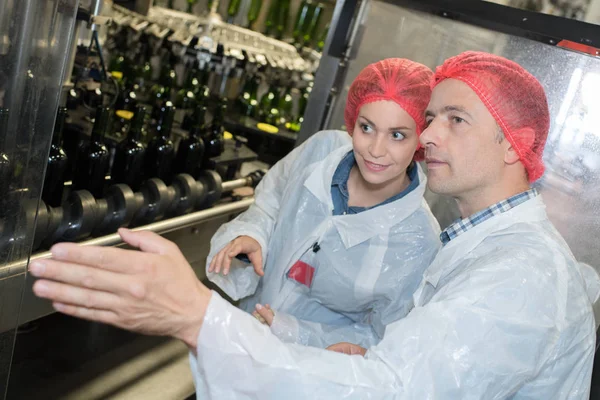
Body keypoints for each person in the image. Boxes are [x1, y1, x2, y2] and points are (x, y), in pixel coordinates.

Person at [29, 51, 599, 399]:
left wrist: (193, 316)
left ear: (514, 145)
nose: (426, 137)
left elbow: (393, 391)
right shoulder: (486, 250)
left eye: (455, 120)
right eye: (429, 118)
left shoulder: (519, 277)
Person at [204, 58, 441, 348]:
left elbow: (383, 339)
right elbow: (270, 205)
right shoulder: (321, 151)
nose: (376, 150)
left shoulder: (417, 241)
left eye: (397, 135)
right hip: (239, 332)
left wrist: (292, 330)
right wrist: (252, 235)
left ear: (421, 138)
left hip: (309, 376)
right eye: (366, 128)